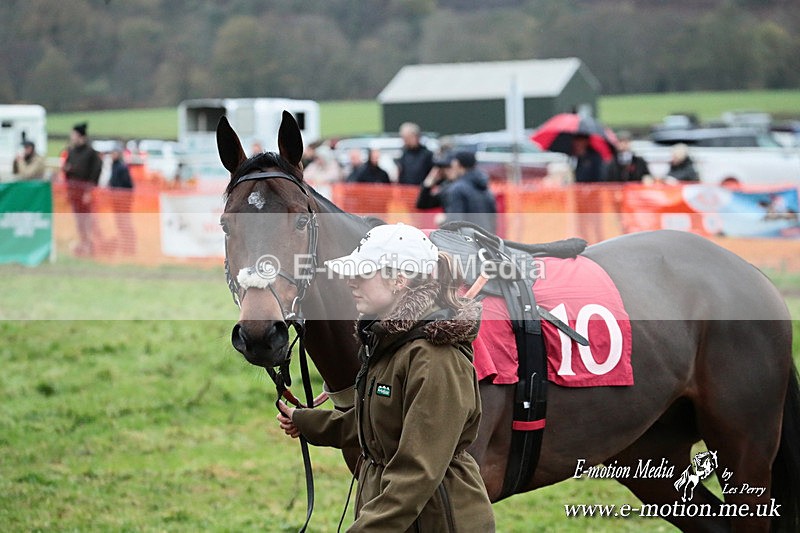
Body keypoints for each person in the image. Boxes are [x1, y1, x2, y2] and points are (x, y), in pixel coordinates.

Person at [277, 223, 495, 532]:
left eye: (363, 273)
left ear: (399, 280)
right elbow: (380, 422)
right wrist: (306, 421)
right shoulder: (390, 344)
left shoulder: (434, 359)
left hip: (435, 521)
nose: (350, 281)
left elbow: (417, 472)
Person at [416, 151, 497, 234]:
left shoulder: (456, 189)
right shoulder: (484, 188)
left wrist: (444, 220)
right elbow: (423, 204)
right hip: (485, 242)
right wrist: (428, 184)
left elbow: (454, 227)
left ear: (457, 165)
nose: (445, 172)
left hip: (467, 243)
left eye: (449, 167)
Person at [62, 122, 102, 256]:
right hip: (74, 192)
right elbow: (67, 168)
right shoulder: (72, 151)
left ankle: (94, 245)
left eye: (74, 135)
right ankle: (84, 245)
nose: (72, 137)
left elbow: (95, 172)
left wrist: (89, 191)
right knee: (79, 222)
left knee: (89, 221)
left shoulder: (91, 153)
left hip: (86, 193)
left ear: (81, 136)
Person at [108, 148, 136, 254]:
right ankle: (125, 247)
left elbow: (128, 185)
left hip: (123, 202)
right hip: (116, 201)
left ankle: (129, 247)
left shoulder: (122, 167)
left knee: (125, 224)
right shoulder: (114, 166)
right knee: (120, 225)